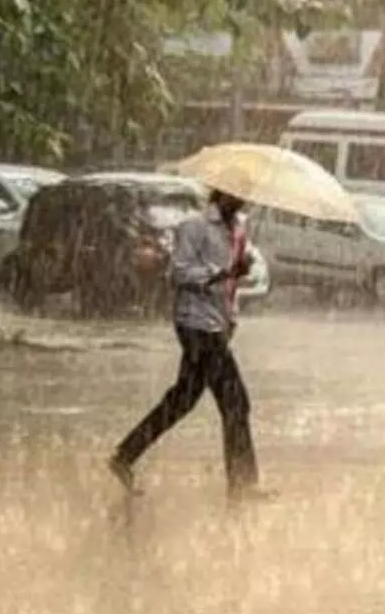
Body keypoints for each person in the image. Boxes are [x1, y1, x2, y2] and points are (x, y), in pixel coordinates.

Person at [108, 189, 273, 502]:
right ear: (220, 195)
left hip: (217, 324)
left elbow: (234, 282)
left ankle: (125, 455)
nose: (242, 201)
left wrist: (242, 267)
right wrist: (222, 273)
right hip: (196, 325)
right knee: (236, 402)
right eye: (236, 196)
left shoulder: (237, 229)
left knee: (182, 400)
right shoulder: (194, 227)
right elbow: (178, 272)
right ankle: (242, 484)